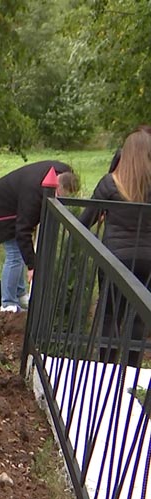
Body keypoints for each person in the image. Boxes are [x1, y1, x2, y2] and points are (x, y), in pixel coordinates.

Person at [80, 129, 151, 367]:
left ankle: (107, 368)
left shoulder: (111, 183)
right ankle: (131, 372)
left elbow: (83, 222)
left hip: (114, 258)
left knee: (110, 313)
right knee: (140, 315)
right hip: (147, 259)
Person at [0, 161, 78, 312]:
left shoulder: (64, 173)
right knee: (15, 254)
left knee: (18, 253)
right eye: (58, 196)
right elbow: (23, 231)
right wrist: (32, 266)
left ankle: (19, 294)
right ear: (56, 186)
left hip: (14, 199)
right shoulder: (33, 194)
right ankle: (8, 303)